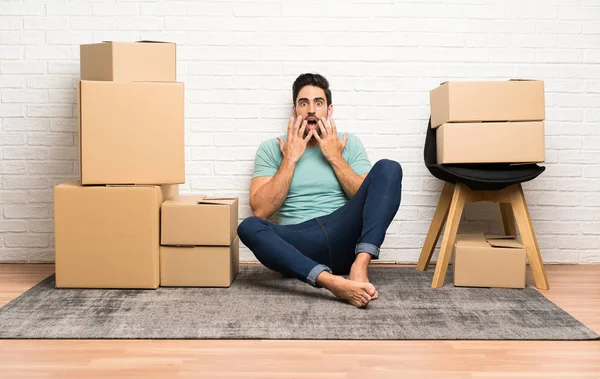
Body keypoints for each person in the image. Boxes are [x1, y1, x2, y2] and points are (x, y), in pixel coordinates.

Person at [237, 73, 402, 308]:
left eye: (318, 102)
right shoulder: (273, 148)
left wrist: (334, 156)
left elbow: (370, 201)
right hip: (298, 245)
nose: (311, 110)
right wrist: (290, 159)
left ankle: (360, 266)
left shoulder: (348, 143)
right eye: (303, 103)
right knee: (248, 226)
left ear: (329, 110)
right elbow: (261, 210)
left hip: (344, 235)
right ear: (295, 111)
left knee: (389, 168)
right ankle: (332, 283)